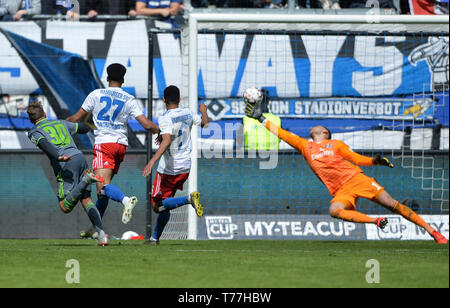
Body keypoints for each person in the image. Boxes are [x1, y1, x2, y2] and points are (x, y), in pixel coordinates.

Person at [244, 88, 448, 244]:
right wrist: (260, 118)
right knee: (335, 210)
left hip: (357, 179)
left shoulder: (336, 144)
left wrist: (374, 161)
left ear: (325, 133)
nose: (315, 126)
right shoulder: (305, 146)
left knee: (393, 205)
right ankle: (375, 222)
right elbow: (283, 134)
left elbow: (356, 159)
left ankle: (433, 232)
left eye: (321, 127)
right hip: (341, 190)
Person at [66, 63, 160, 235]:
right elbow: (146, 124)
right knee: (103, 192)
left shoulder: (96, 94)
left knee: (102, 188)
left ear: (107, 78)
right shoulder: (128, 99)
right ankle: (97, 229)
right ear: (123, 80)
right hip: (120, 146)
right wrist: (160, 132)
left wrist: (59, 126)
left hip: (104, 144)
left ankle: (125, 200)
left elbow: (76, 118)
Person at [26, 101, 108, 246]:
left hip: (65, 162)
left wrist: (57, 156)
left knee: (65, 206)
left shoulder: (33, 132)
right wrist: (96, 121)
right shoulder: (60, 123)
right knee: (87, 200)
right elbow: (82, 128)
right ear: (45, 114)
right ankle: (102, 237)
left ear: (31, 120)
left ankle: (86, 180)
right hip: (79, 157)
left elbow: (44, 143)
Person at [142, 85, 209, 245]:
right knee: (167, 203)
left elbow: (166, 141)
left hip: (168, 168)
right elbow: (205, 124)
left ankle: (188, 199)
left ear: (164, 100)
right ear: (179, 99)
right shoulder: (188, 113)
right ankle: (154, 239)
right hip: (185, 167)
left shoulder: (165, 117)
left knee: (157, 206)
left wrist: (152, 161)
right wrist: (204, 111)